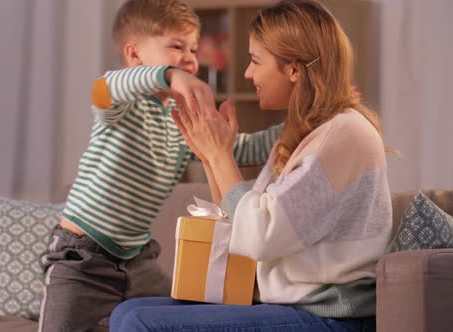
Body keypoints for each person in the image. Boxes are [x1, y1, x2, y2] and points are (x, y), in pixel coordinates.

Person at [110, 0, 393, 331]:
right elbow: (240, 229)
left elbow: (259, 236)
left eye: (256, 60)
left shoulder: (342, 133)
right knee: (127, 312)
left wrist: (221, 157)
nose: (247, 73)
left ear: (293, 69)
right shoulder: (304, 135)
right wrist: (210, 156)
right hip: (291, 305)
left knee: (140, 322)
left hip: (329, 316)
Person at [38, 1, 281, 331]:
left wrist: (301, 127)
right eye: (176, 46)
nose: (189, 59)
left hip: (138, 261)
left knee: (175, 320)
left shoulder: (180, 121)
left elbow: (240, 149)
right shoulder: (120, 107)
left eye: (193, 49)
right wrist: (169, 75)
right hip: (82, 259)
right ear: (134, 56)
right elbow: (104, 87)